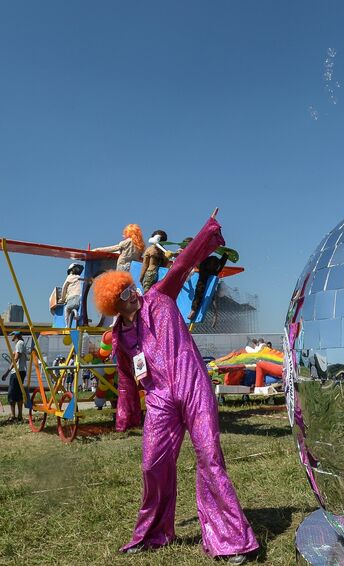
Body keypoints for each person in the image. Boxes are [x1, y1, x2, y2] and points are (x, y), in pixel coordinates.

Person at [91, 210, 258, 563]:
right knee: (152, 463)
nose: (133, 295)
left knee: (210, 458)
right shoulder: (121, 336)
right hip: (160, 399)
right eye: (124, 295)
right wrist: (126, 417)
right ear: (114, 305)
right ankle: (154, 532)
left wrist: (208, 232)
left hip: (193, 386)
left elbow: (182, 263)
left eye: (131, 288)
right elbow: (125, 380)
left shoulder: (159, 297)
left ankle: (230, 540)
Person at [188, 252, 228, 322]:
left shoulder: (203, 269)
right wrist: (226, 255)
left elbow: (199, 292)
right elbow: (222, 262)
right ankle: (215, 313)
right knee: (212, 297)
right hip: (212, 279)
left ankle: (193, 310)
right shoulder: (215, 270)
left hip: (205, 276)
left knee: (199, 293)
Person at [2, 332, 27, 422]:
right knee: (18, 394)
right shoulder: (21, 343)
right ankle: (19, 416)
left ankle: (13, 416)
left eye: (12, 335)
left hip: (17, 372)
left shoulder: (19, 343)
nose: (11, 337)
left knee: (11, 394)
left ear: (16, 336)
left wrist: (7, 372)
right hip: (20, 371)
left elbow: (17, 357)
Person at [60, 263, 84, 327]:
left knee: (67, 309)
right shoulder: (80, 278)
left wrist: (62, 299)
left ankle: (67, 326)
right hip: (80, 300)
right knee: (75, 310)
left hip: (72, 299)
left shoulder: (69, 277)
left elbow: (64, 288)